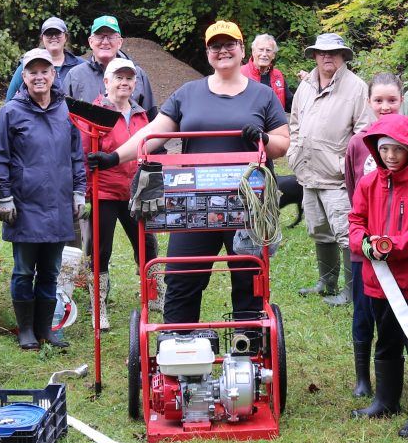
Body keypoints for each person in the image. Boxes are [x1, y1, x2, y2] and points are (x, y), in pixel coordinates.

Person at [89, 21, 289, 326]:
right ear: (208, 52)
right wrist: (114, 157)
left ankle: (248, 345)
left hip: (248, 203)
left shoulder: (262, 95)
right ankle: (179, 342)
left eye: (229, 44)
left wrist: (263, 138)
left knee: (249, 278)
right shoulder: (189, 93)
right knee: (182, 276)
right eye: (215, 46)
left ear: (241, 49)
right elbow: (152, 134)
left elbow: (282, 143)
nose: (223, 51)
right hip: (196, 202)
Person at [349, 113, 408, 439]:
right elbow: (356, 221)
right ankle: (385, 401)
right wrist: (365, 243)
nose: (390, 156)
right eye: (384, 149)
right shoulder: (367, 184)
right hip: (378, 283)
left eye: (398, 149)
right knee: (385, 341)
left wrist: (394, 246)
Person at [0, 48, 87, 351]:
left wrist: (79, 190)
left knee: (50, 271)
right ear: (24, 76)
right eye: (32, 72)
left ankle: (46, 329)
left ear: (53, 74)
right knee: (23, 270)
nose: (39, 77)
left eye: (44, 71)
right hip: (24, 205)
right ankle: (26, 330)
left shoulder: (65, 110)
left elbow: (76, 155)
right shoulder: (10, 112)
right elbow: (0, 156)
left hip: (58, 204)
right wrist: (4, 196)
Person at [341, 73, 408, 400]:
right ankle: (363, 377)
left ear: (402, 100)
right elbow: (354, 192)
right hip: (365, 248)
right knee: (364, 311)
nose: (385, 106)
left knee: (398, 316)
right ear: (369, 102)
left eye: (392, 100)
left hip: (402, 253)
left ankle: (402, 383)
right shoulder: (357, 144)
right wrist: (364, 240)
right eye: (378, 100)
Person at [288, 33, 374, 305]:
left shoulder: (356, 88)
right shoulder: (306, 85)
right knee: (320, 230)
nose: (327, 56)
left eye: (333, 52)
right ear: (314, 55)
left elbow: (363, 134)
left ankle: (350, 290)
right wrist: (294, 153)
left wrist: (343, 166)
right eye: (321, 52)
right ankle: (327, 282)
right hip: (308, 173)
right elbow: (294, 123)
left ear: (343, 56)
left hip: (338, 178)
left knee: (346, 234)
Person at [89, 57, 157, 330]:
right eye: (119, 78)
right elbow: (84, 152)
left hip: (136, 190)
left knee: (147, 243)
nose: (124, 83)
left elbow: (149, 149)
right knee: (101, 249)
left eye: (129, 78)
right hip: (105, 190)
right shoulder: (96, 112)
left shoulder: (141, 114)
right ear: (107, 82)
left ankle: (154, 295)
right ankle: (99, 306)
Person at [64, 14, 157, 112]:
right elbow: (63, 115)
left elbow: (151, 116)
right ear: (91, 42)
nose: (105, 42)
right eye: (100, 37)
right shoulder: (75, 76)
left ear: (120, 42)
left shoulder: (137, 74)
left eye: (111, 37)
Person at [6, 16, 84, 101]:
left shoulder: (81, 65)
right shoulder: (27, 65)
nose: (53, 37)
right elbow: (10, 101)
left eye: (57, 33)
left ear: (65, 37)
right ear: (42, 38)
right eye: (49, 33)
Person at [243, 33, 290, 110]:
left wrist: (306, 84)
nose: (264, 54)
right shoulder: (240, 74)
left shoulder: (278, 76)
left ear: (273, 55)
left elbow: (291, 104)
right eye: (261, 50)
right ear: (253, 52)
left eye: (268, 50)